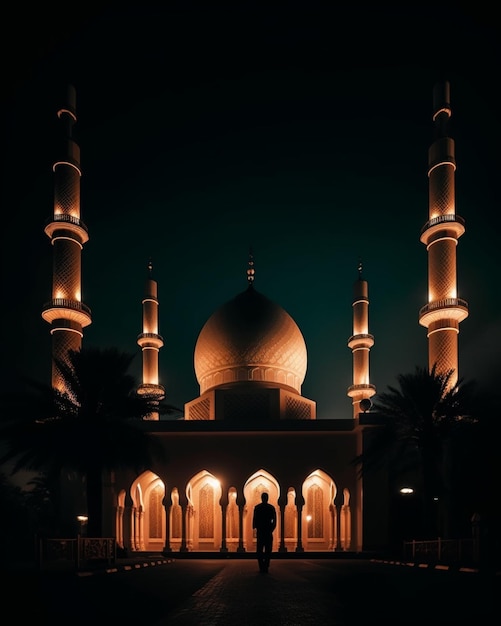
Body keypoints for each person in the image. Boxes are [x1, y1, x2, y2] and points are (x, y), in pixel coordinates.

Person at [252, 492, 277, 572]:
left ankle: (262, 566)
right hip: (267, 532)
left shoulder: (257, 508)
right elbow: (274, 520)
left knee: (259, 550)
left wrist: (255, 528)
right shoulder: (271, 508)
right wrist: (271, 528)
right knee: (268, 550)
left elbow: (255, 519)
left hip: (261, 531)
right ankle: (265, 566)